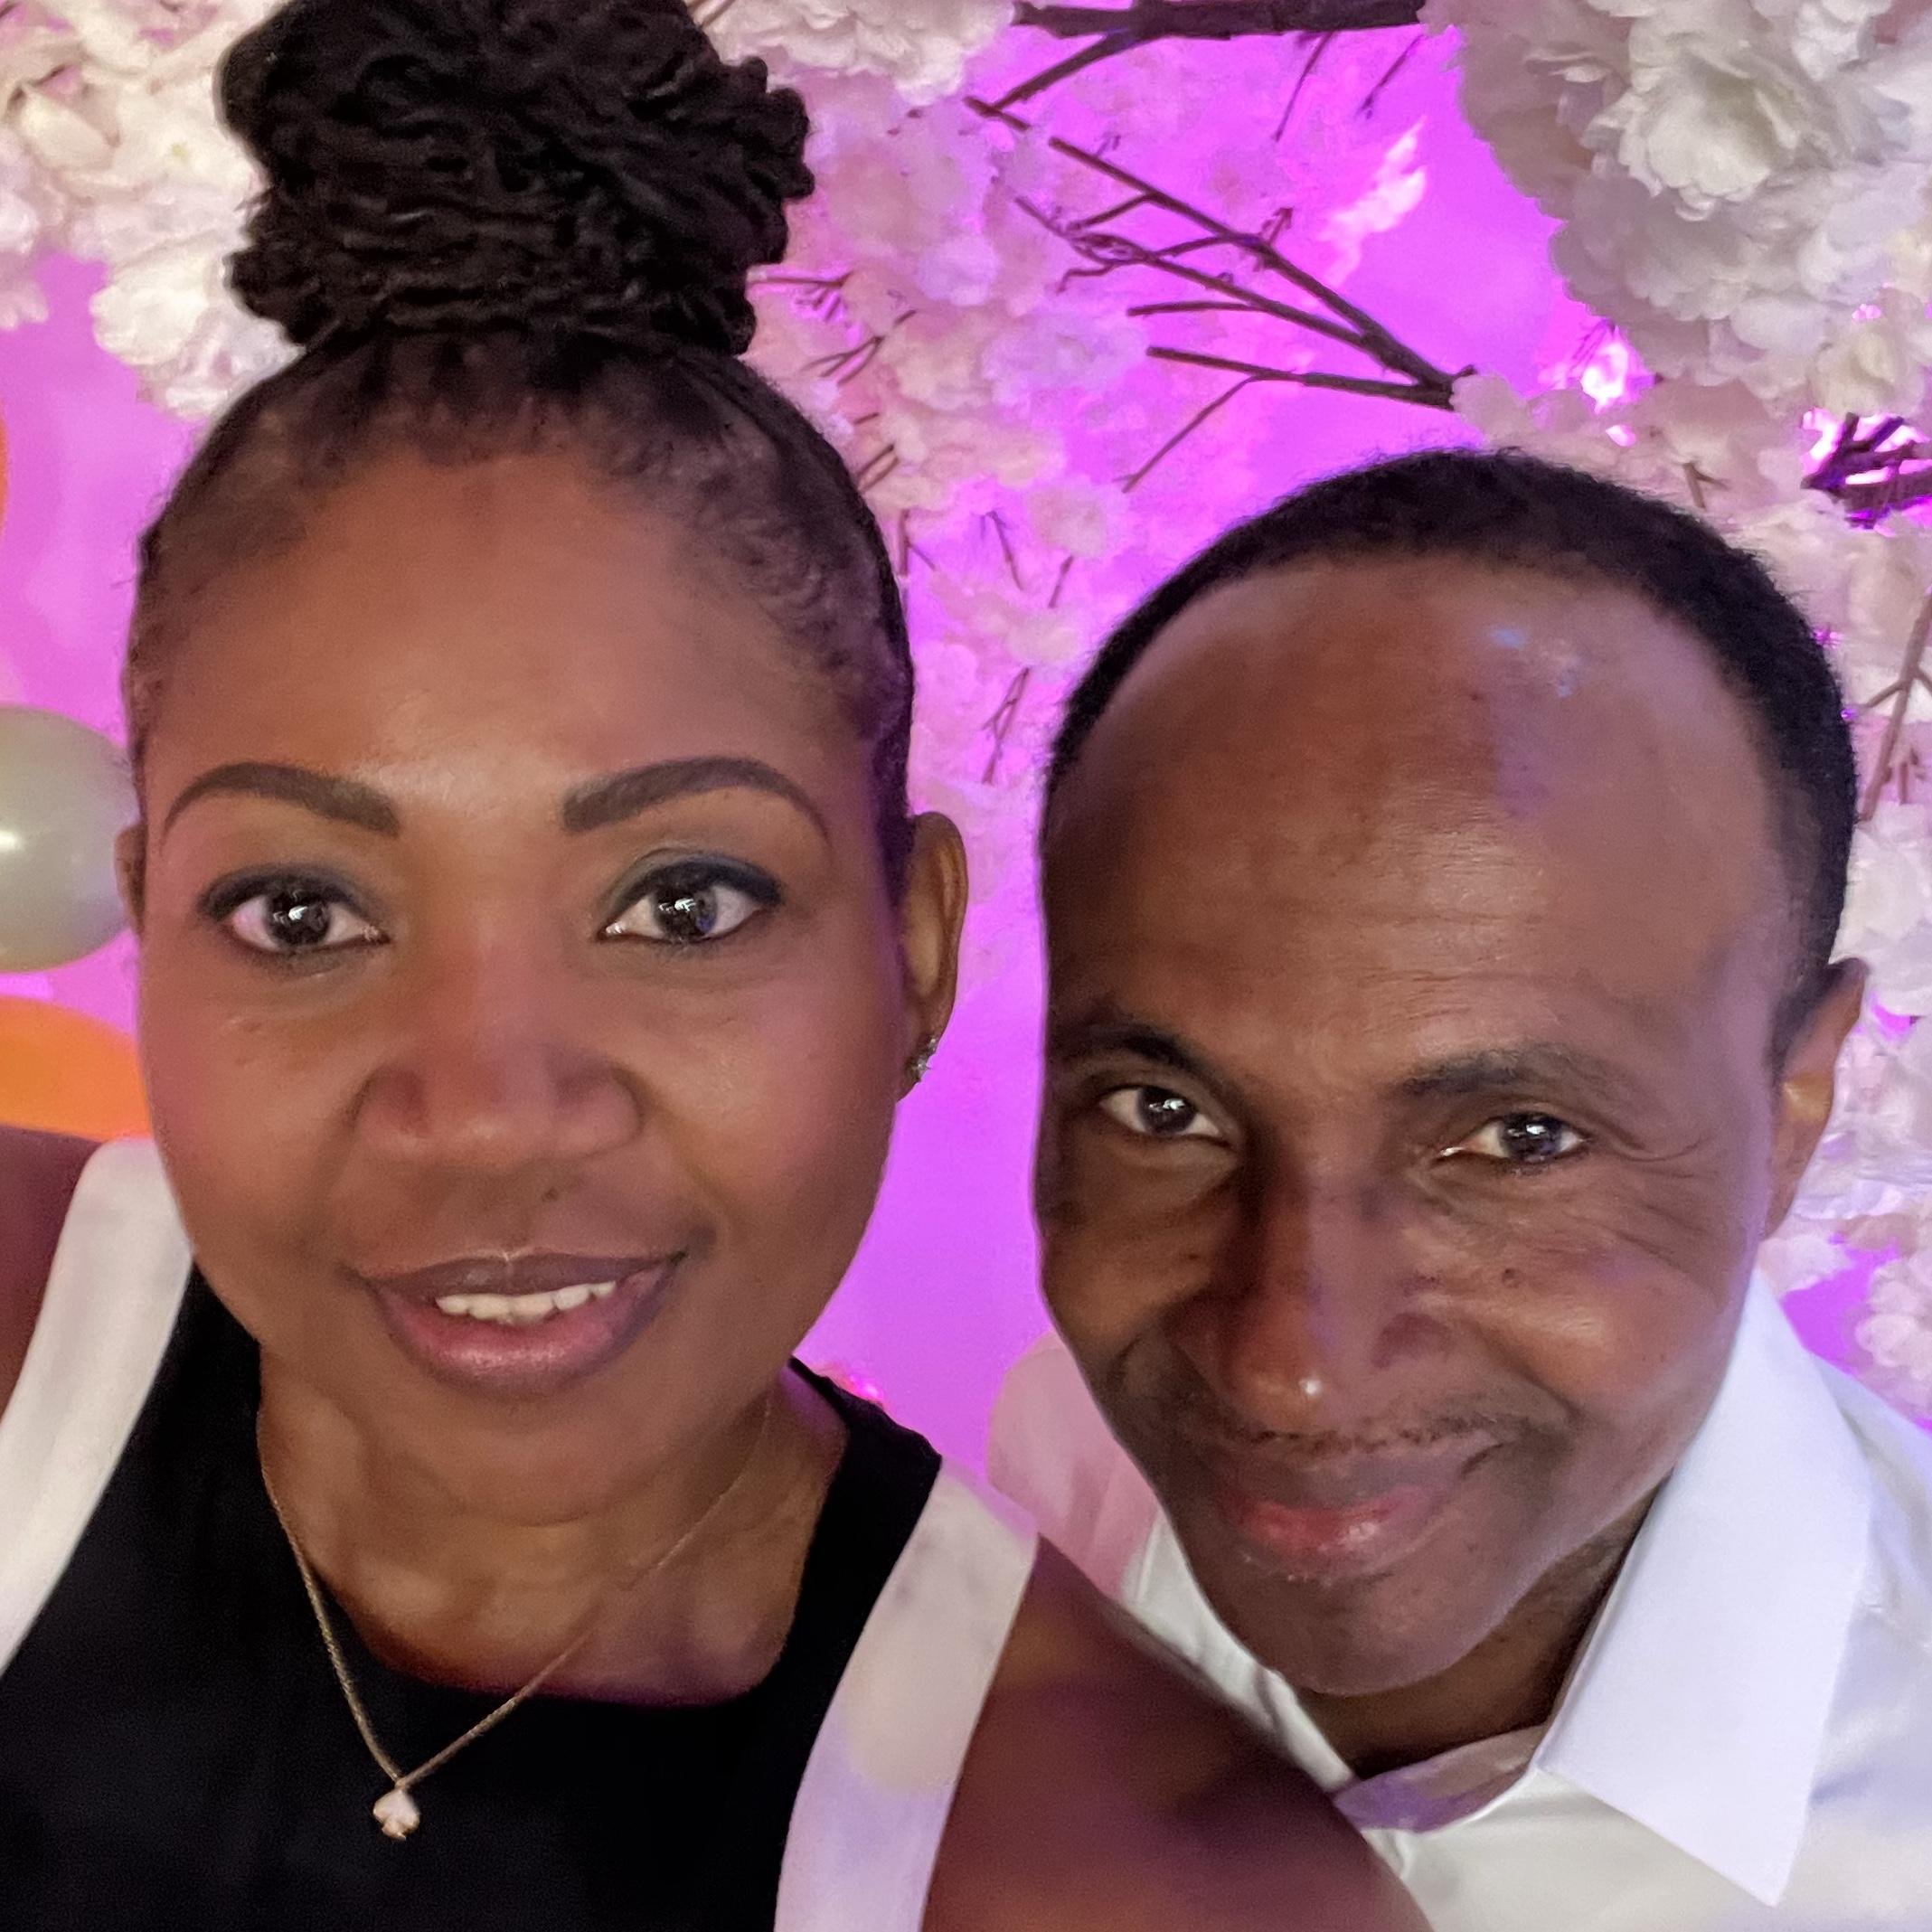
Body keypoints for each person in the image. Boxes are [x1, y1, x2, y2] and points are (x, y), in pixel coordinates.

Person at [0, 5, 1428, 1928]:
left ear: (913, 950)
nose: (489, 1112)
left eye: (682, 901)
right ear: (148, 918)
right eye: (302, 913)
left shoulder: (1137, 1887)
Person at [992, 448, 1932, 1928]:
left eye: (1519, 1138)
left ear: (1794, 1103)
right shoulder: (1055, 1465)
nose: (1290, 1367)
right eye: (1164, 1111)